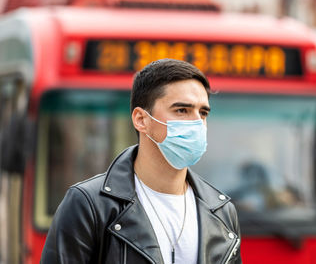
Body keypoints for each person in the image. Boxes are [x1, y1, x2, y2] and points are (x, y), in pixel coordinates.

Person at [40, 59, 242, 264]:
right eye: (182, 110)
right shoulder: (88, 205)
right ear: (141, 120)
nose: (197, 124)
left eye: (203, 113)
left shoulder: (222, 212)